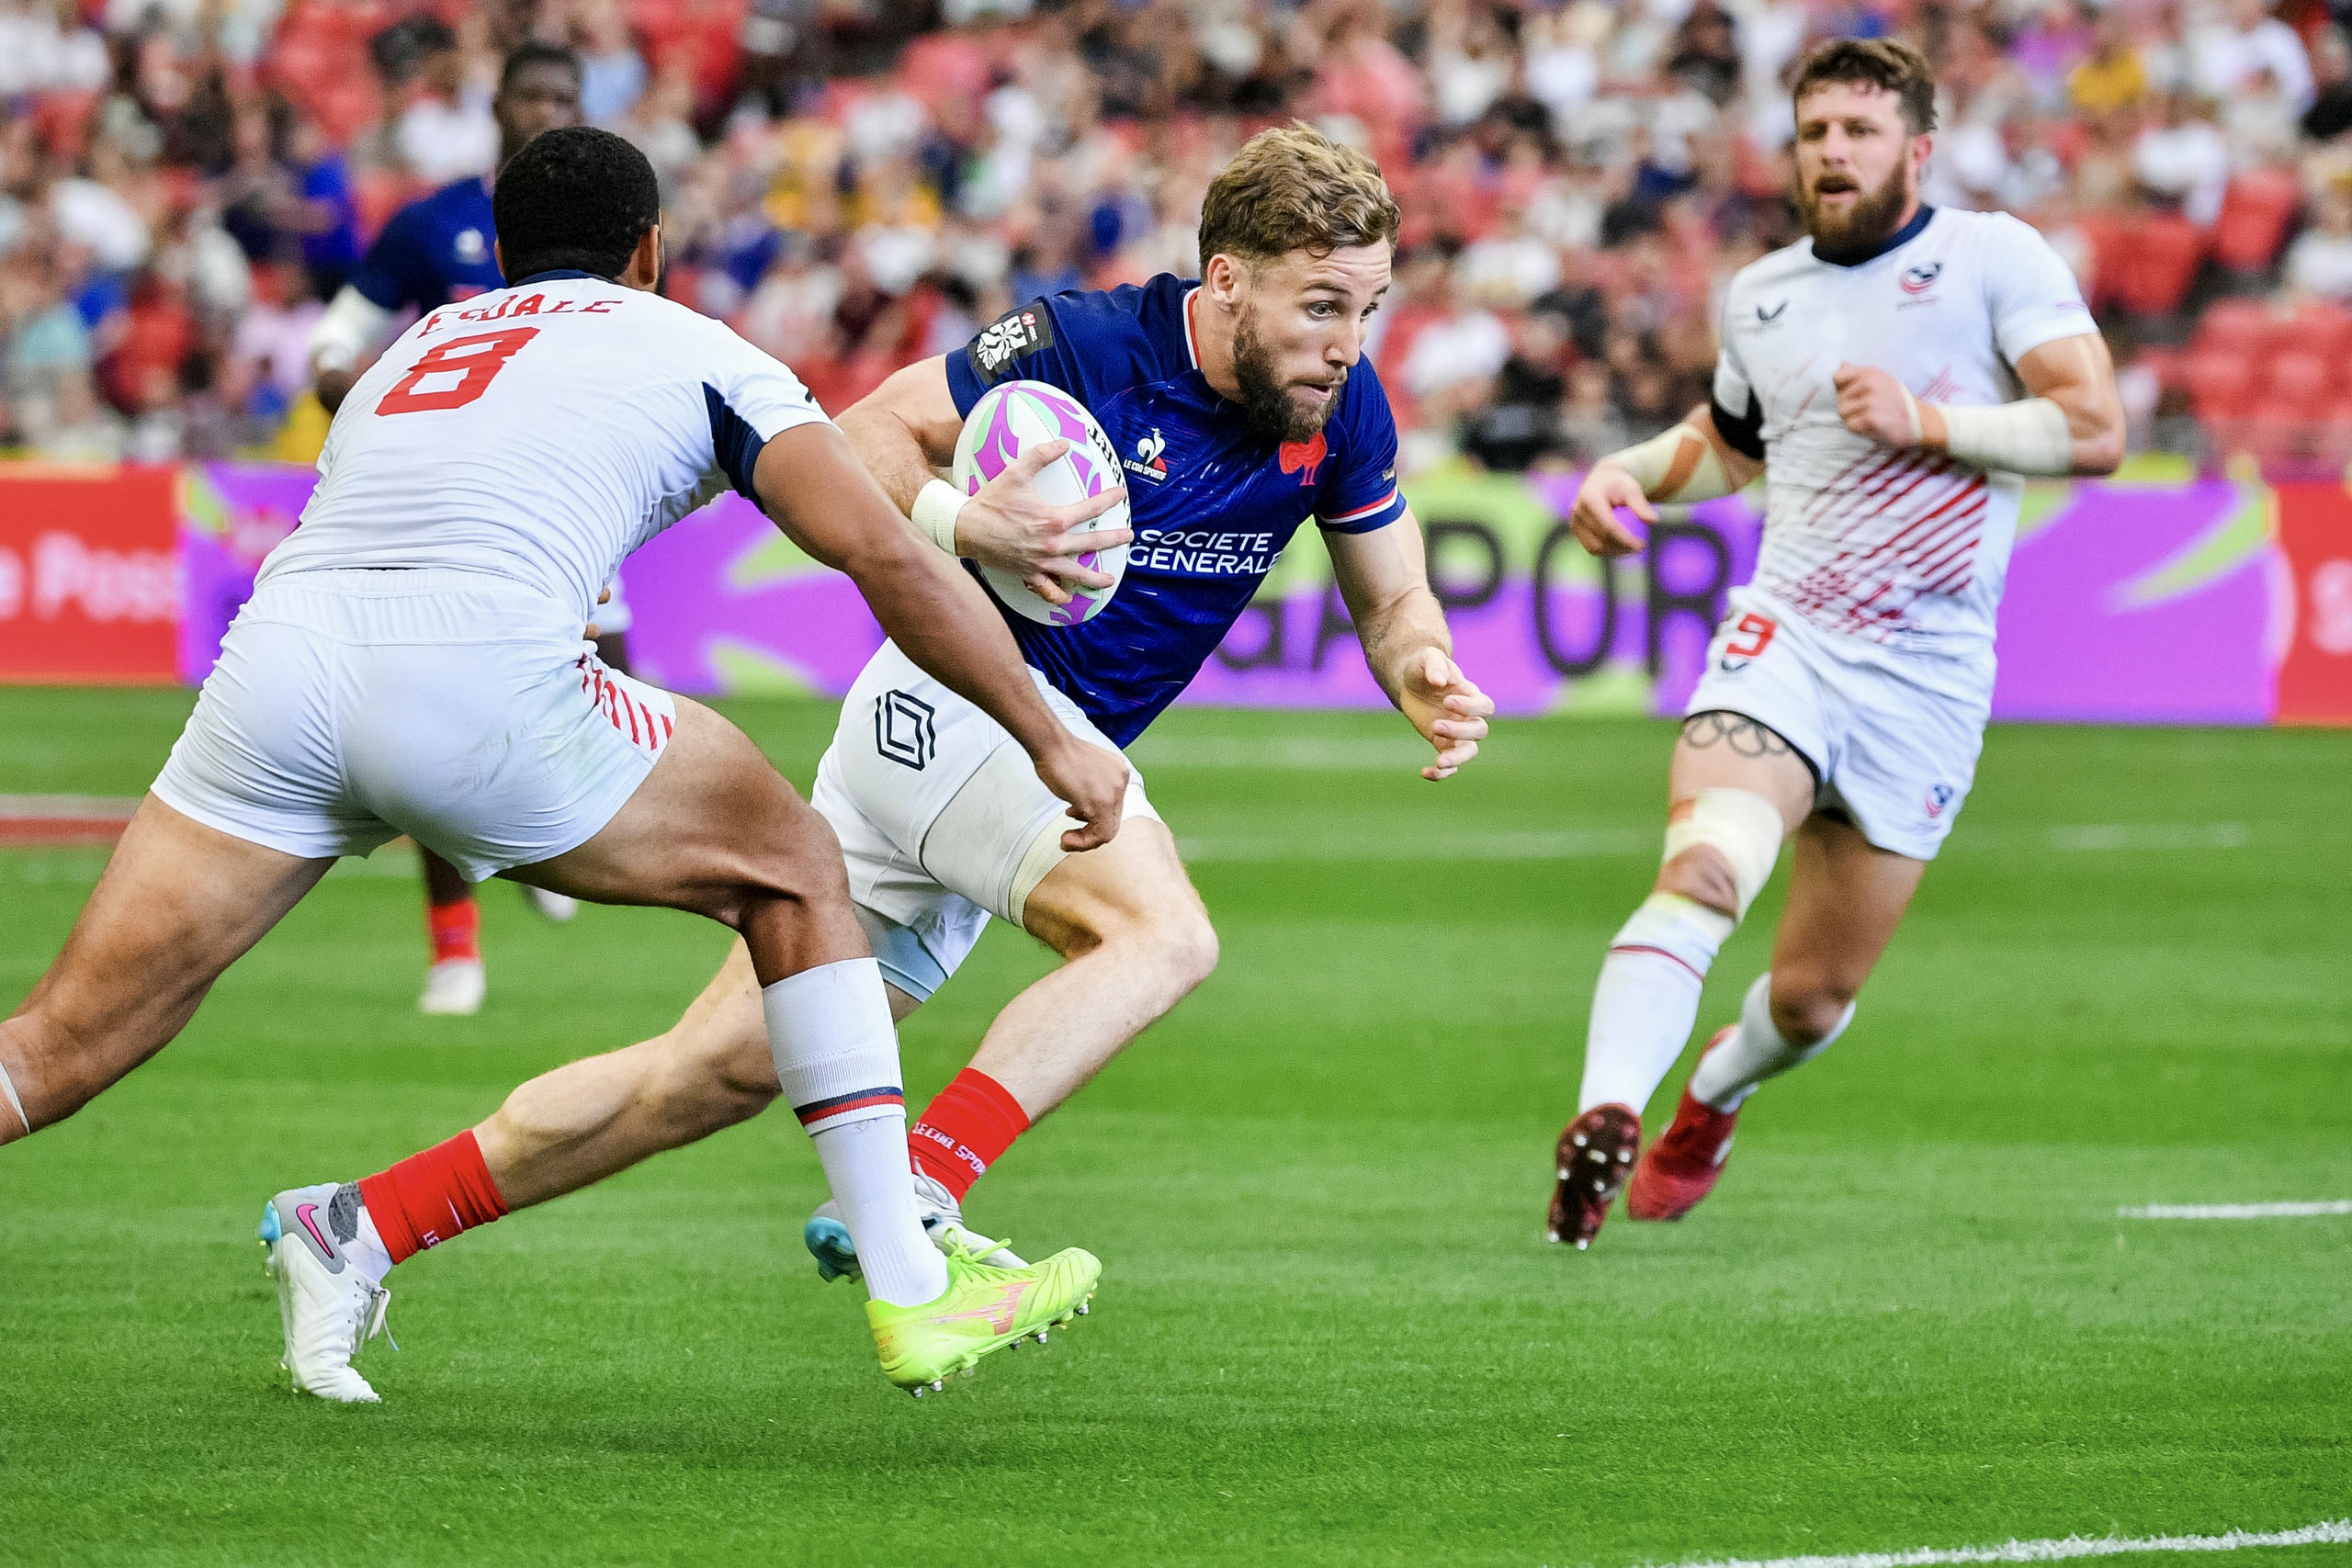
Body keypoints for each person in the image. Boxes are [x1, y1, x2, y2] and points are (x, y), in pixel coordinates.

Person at [0, 129, 1128, 1404]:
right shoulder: (695, 346)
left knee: (54, 1048)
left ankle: (348, 1225)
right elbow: (883, 553)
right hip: (473, 680)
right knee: (799, 872)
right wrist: (1047, 738)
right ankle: (916, 1287)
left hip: (276, 673)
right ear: (651, 248)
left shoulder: (409, 356)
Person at [332, 121, 1496, 1320]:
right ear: (1229, 280)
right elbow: (862, 437)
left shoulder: (1340, 409)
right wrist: (962, 521)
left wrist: (1421, 665)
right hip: (972, 701)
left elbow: (1394, 593)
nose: (1347, 344)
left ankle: (362, 1221)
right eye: (1321, 307)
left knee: (709, 1072)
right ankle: (916, 1205)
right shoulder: (1083, 343)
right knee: (1161, 935)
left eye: (1369, 308)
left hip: (957, 751)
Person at [1545, 38, 2124, 1248]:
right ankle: (1605, 1108)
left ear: (1917, 146)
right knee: (1705, 865)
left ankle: (1713, 1092)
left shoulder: (1992, 257)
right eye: (1816, 133)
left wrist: (1932, 422)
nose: (1834, 153)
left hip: (1927, 677)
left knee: (1811, 1000)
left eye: (1860, 131)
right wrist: (1630, 469)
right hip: (1787, 638)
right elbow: (1737, 442)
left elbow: (2096, 425)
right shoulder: (1764, 293)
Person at [306, 40, 601, 1015]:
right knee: (437, 694)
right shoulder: (434, 223)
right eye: (533, 93)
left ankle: (538, 843)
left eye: (565, 94)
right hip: (456, 501)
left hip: (567, 497)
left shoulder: (615, 222)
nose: (547, 108)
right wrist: (337, 372)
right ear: (499, 104)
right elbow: (340, 332)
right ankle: (454, 950)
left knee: (595, 685)